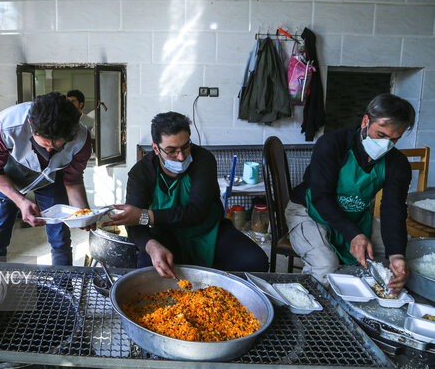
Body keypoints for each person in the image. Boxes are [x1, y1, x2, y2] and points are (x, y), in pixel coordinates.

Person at [104, 112, 268, 277]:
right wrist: (151, 245)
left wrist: (145, 215)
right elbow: (134, 222)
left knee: (255, 261)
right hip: (167, 234)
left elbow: (196, 211)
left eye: (185, 147)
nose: (181, 156)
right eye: (171, 151)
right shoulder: (141, 173)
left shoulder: (204, 160)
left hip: (210, 231)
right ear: (156, 148)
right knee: (149, 270)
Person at [287, 94, 415, 292]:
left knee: (395, 260)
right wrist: (353, 234)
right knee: (325, 266)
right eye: (381, 135)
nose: (386, 144)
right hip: (309, 210)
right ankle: (312, 313)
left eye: (394, 139)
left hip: (354, 215)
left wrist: (396, 254)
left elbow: (393, 208)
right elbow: (321, 197)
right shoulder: (332, 144)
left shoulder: (397, 164)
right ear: (366, 121)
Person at [0, 92, 93, 264]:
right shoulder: (4, 126)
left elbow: (73, 179)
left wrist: (84, 213)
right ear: (30, 125)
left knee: (60, 239)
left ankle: (63, 288)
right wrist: (20, 201)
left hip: (51, 177)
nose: (49, 151)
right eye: (45, 144)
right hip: (8, 177)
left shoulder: (81, 139)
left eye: (58, 146)